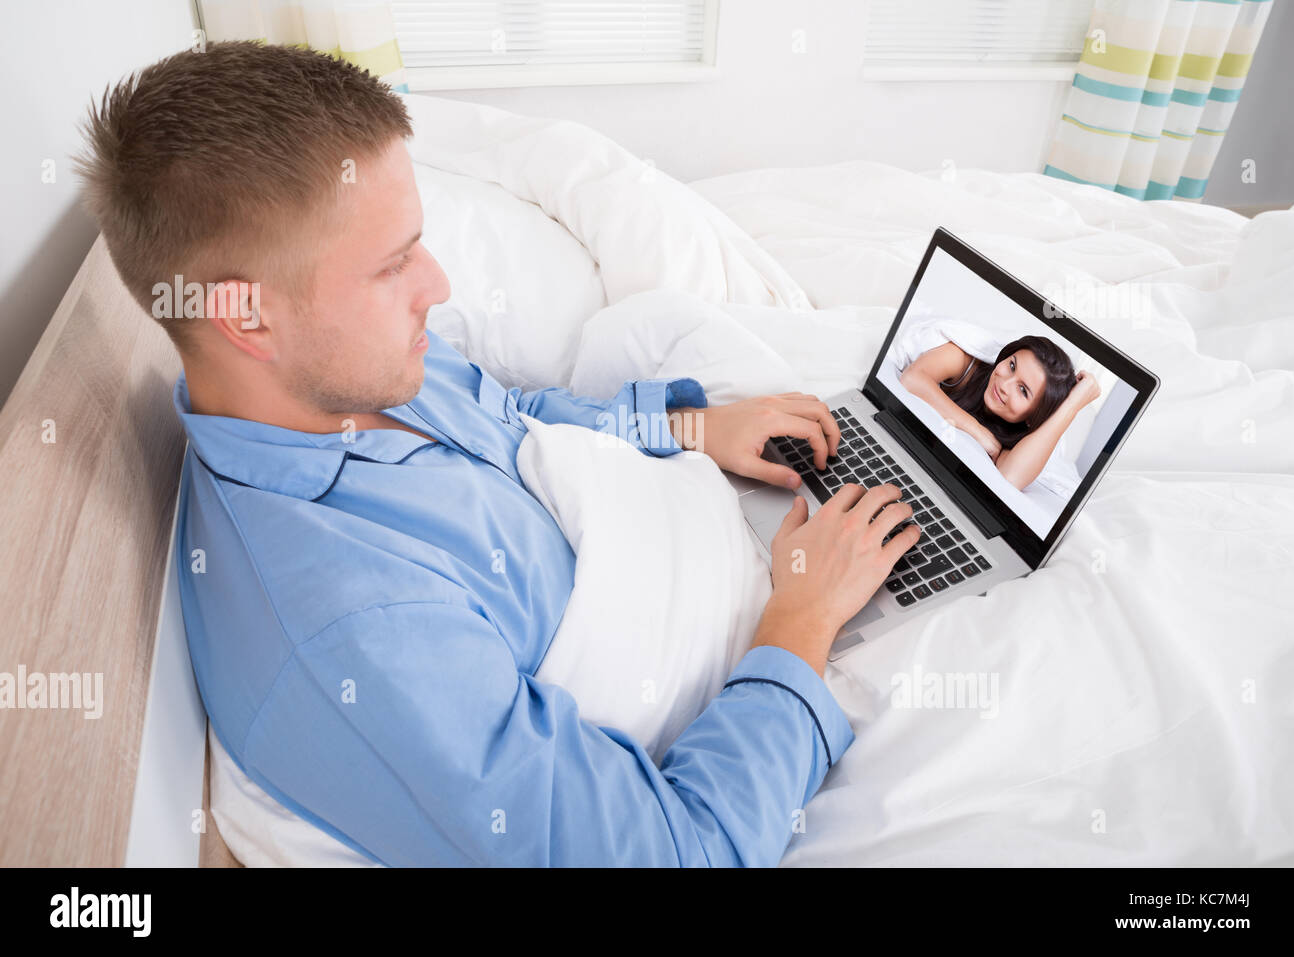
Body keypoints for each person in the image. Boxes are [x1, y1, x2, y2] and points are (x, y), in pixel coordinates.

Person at [74, 41, 921, 866]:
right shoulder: (357, 638)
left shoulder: (356, 372)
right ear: (245, 318)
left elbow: (513, 417)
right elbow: (671, 850)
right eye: (392, 264)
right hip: (785, 665)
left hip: (751, 555)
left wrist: (689, 429)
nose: (437, 285)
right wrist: (801, 623)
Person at [899, 336, 1100, 491]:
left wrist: (1072, 405)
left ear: (1032, 417)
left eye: (1023, 390)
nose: (1005, 384)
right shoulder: (966, 362)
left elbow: (1011, 476)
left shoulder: (1020, 438)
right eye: (1012, 366)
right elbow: (912, 379)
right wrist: (975, 429)